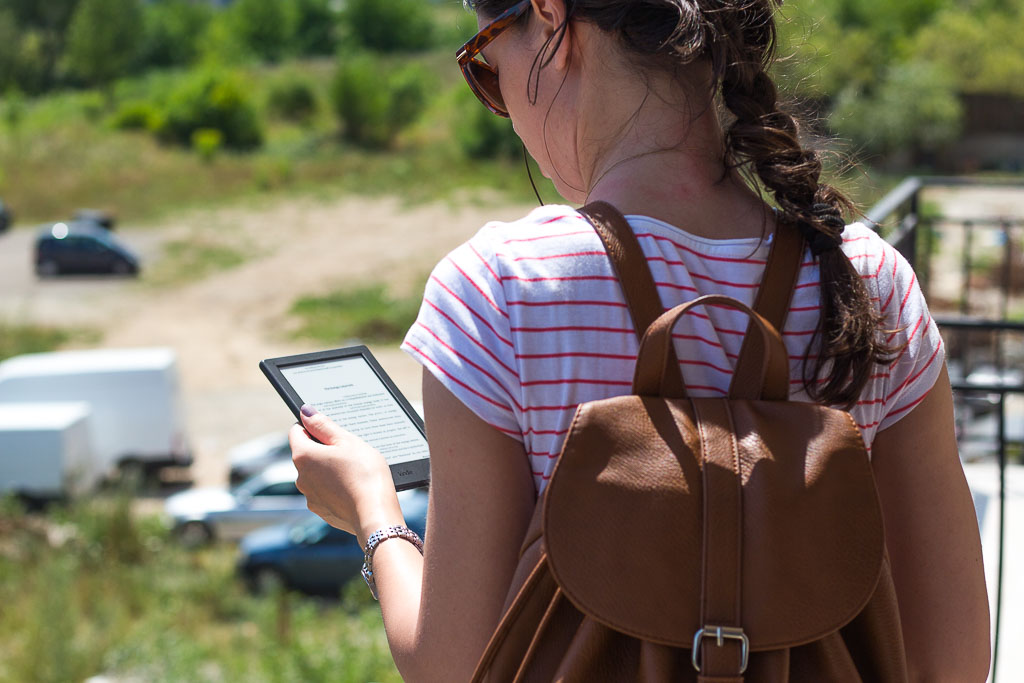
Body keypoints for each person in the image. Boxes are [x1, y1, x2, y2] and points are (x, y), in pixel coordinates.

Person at [289, 1, 991, 680]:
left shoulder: (498, 289)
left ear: (551, 20)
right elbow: (952, 662)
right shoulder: (871, 280)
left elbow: (453, 665)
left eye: (487, 68)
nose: (504, 111)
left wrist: (373, 513)